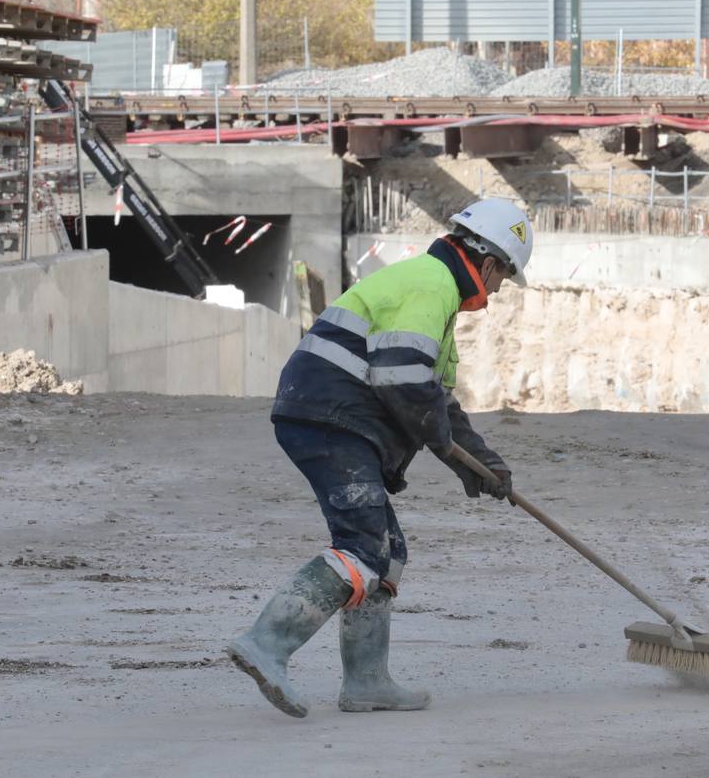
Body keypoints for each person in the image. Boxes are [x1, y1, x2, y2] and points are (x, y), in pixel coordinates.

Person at [227, 198, 533, 718]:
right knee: (364, 547)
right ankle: (267, 644)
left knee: (386, 554)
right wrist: (446, 447)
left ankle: (367, 681)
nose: (501, 287)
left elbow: (437, 402)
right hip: (332, 419)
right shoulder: (430, 284)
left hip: (334, 417)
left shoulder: (431, 291)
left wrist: (481, 465)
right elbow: (400, 378)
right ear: (485, 262)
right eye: (504, 273)